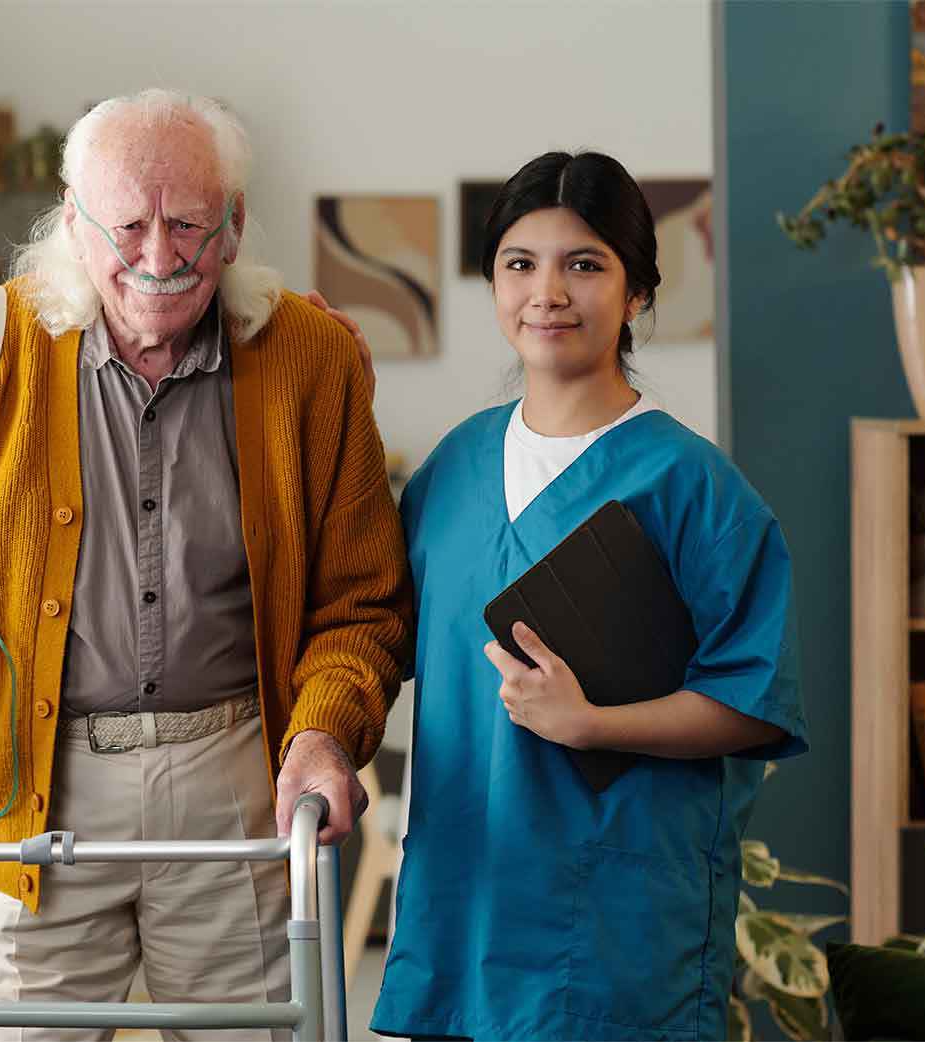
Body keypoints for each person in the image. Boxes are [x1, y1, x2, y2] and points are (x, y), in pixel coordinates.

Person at [0, 88, 411, 1038]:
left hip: (235, 785)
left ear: (235, 226)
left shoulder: (309, 358)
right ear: (74, 223)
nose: (160, 258)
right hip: (33, 796)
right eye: (129, 224)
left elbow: (363, 603)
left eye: (189, 225)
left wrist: (325, 734)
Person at [364, 151, 809, 1042]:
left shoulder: (689, 485)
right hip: (465, 896)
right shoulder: (451, 471)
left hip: (612, 918)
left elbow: (751, 704)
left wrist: (593, 724)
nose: (547, 292)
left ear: (637, 292)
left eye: (585, 265)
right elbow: (380, 638)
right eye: (519, 264)